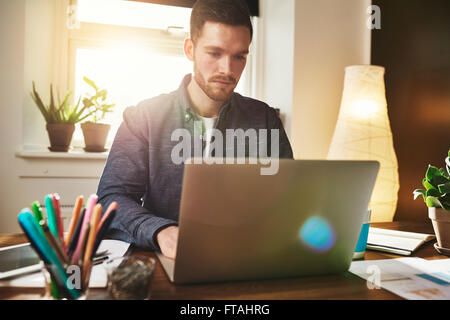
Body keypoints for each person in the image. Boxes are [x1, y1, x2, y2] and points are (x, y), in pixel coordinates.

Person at [97, 0, 293, 259]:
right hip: (168, 262)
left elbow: (289, 197)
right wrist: (160, 232)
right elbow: (111, 199)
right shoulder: (143, 117)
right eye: (214, 53)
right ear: (190, 49)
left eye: (239, 56)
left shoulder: (265, 119)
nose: (228, 69)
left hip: (248, 259)